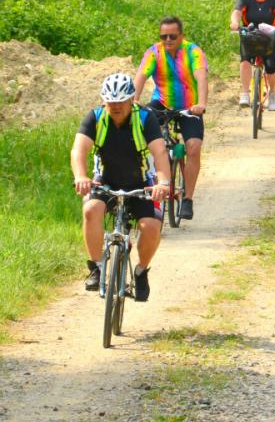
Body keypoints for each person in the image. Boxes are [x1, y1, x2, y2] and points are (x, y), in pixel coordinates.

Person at [71, 73, 171, 300]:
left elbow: (160, 152)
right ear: (103, 100)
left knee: (151, 227)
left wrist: (163, 183)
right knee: (90, 210)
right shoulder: (95, 118)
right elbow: (79, 150)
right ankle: (96, 268)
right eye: (110, 101)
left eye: (121, 101)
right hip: (105, 180)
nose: (115, 106)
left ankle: (141, 271)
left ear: (131, 99)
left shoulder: (145, 118)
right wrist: (81, 176)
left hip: (141, 183)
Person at [134, 17, 208, 221]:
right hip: (162, 103)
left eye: (172, 36)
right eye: (163, 36)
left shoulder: (193, 51)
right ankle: (148, 182)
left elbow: (201, 77)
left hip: (190, 106)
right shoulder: (154, 52)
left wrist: (201, 104)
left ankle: (188, 199)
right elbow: (141, 76)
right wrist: (134, 100)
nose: (168, 40)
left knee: (193, 146)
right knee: (141, 135)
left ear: (181, 36)